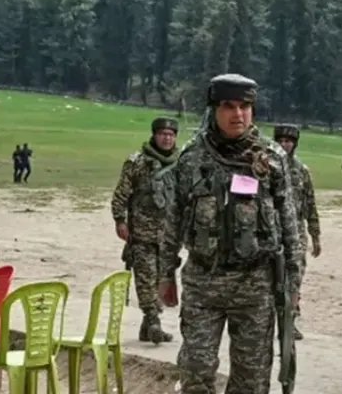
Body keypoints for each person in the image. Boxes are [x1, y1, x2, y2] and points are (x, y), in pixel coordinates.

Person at [159, 73, 303, 394]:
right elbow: (173, 219)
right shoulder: (192, 158)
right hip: (203, 282)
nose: (238, 114)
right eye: (229, 106)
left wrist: (293, 284)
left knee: (251, 380)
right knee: (196, 371)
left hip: (255, 285)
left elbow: (290, 226)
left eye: (244, 107)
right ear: (214, 109)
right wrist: (165, 273)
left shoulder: (272, 159)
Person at [111, 116, 180, 344]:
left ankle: (146, 327)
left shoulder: (180, 165)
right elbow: (121, 194)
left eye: (171, 135)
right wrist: (120, 221)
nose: (167, 139)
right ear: (154, 135)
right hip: (141, 233)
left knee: (161, 280)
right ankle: (153, 322)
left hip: (168, 237)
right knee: (145, 278)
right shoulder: (137, 162)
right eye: (162, 134)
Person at [273, 123, 321, 340]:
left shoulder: (301, 171)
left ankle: (289, 321)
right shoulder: (267, 168)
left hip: (296, 232)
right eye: (281, 141)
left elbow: (310, 204)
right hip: (272, 229)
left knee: (295, 275)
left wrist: (315, 235)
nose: (284, 145)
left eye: (288, 141)